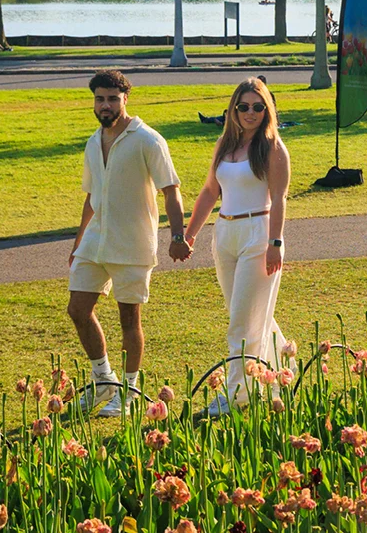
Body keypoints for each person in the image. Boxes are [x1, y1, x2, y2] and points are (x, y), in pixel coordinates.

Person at [69, 70, 190, 417]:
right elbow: (92, 196)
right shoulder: (94, 141)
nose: (105, 105)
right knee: (77, 308)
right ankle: (104, 380)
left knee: (128, 318)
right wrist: (78, 241)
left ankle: (130, 388)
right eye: (99, 99)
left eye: (112, 98)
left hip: (132, 243)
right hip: (95, 241)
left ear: (125, 99)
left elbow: (171, 191)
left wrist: (177, 237)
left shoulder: (148, 140)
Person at [184, 78, 292, 417]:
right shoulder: (224, 145)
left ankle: (236, 395)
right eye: (243, 106)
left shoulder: (273, 147)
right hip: (225, 232)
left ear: (267, 110)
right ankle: (279, 377)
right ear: (233, 109)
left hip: (258, 234)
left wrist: (275, 243)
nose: (250, 113)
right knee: (247, 316)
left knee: (241, 323)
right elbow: (208, 192)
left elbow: (279, 200)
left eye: (258, 107)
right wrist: (189, 235)